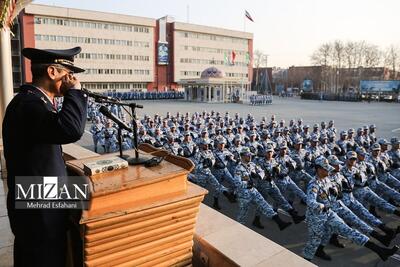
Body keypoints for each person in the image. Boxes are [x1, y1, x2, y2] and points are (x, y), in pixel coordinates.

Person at [2, 47, 88, 267]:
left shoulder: (33, 102)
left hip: (39, 196)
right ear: (52, 72)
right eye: (67, 75)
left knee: (92, 196)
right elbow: (70, 130)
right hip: (37, 207)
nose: (71, 80)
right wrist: (75, 92)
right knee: (43, 258)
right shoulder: (29, 105)